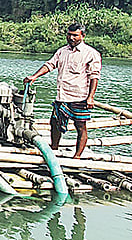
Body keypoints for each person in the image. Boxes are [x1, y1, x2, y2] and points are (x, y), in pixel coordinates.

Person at [24, 22, 101, 158]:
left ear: (83, 36)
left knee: (80, 126)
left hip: (80, 96)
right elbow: (50, 65)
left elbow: (94, 76)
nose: (71, 38)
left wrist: (91, 97)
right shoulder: (62, 51)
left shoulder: (91, 53)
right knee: (54, 122)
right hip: (62, 95)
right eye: (69, 35)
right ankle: (54, 149)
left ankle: (77, 156)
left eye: (75, 35)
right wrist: (34, 76)